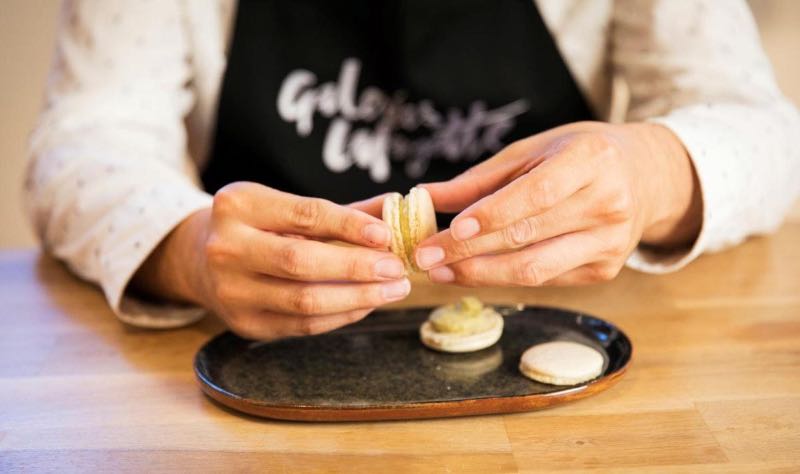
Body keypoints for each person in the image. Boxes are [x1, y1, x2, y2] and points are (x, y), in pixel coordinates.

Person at [26, 0, 800, 340]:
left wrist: (652, 170)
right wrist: (188, 249)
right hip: (253, 361)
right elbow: (85, 141)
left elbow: (769, 134)